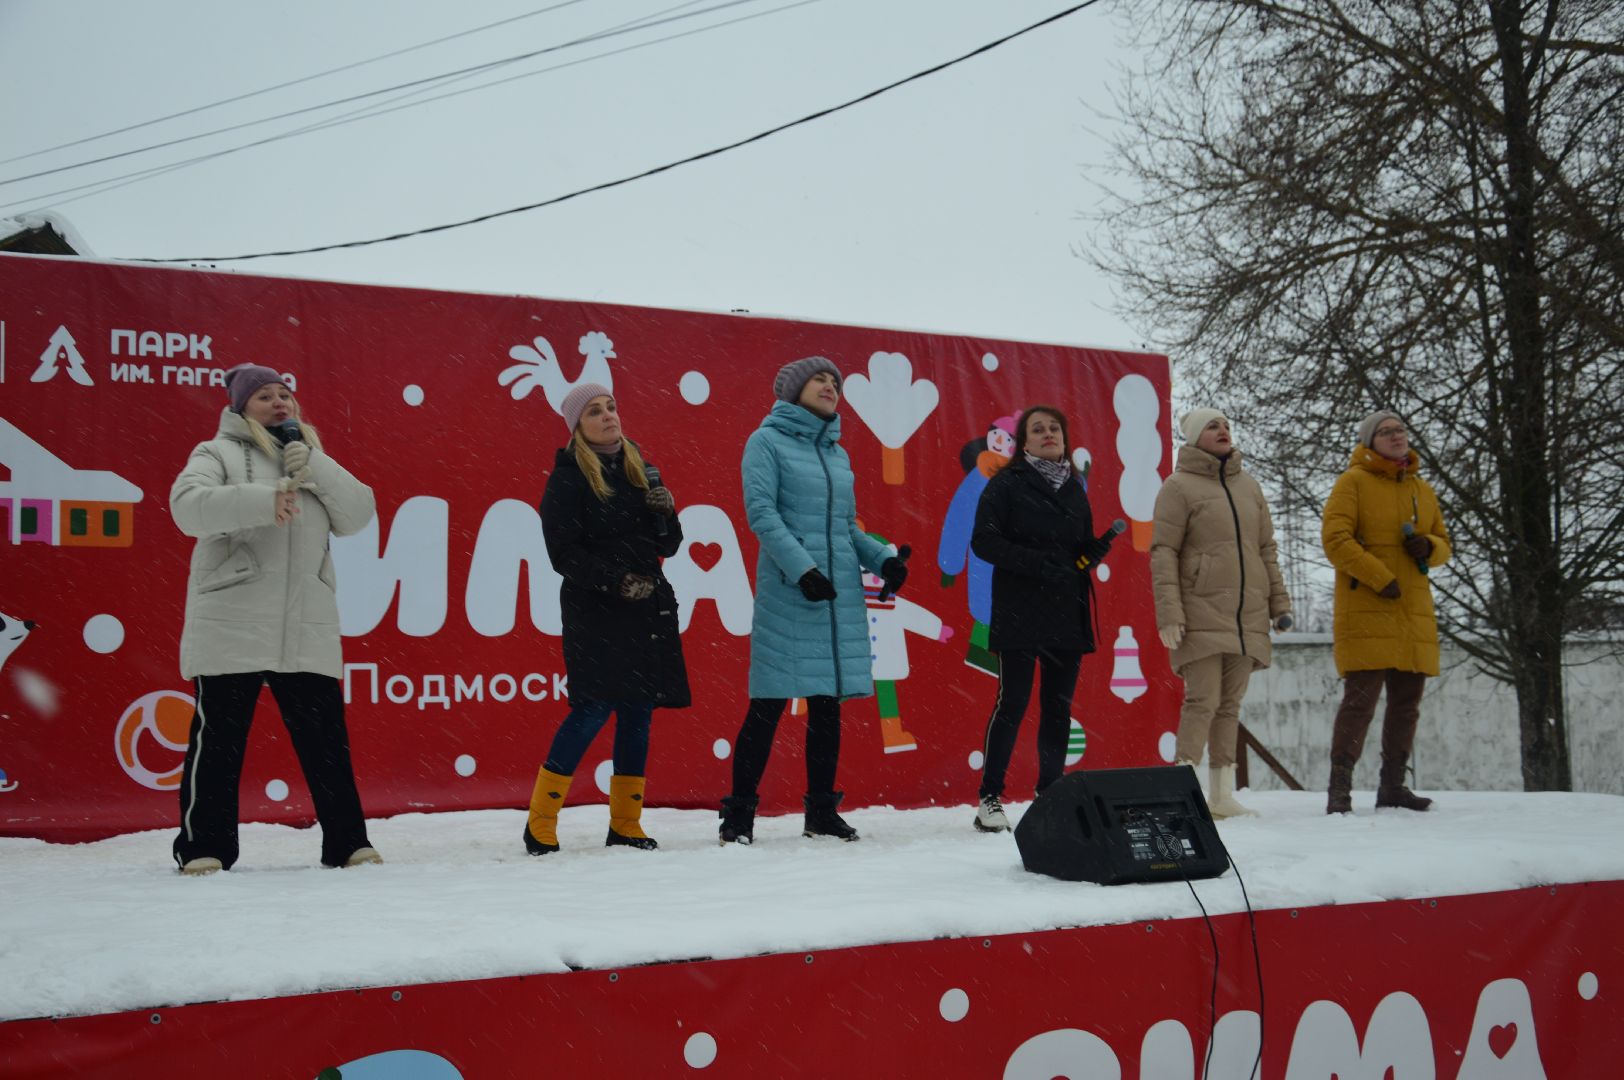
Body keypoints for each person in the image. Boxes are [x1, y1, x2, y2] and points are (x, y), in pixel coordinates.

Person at [169, 363, 379, 875]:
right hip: (232, 618)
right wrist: (266, 500)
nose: (279, 403)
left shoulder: (311, 458)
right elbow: (187, 508)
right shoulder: (215, 453)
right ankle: (203, 847)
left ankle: (348, 843)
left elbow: (358, 514)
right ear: (241, 408)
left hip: (305, 623)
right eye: (265, 396)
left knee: (326, 741)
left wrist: (315, 467)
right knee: (218, 740)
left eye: (285, 394)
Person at [718, 357, 910, 845]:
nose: (830, 386)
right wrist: (802, 570)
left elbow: (846, 530)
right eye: (820, 379)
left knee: (827, 706)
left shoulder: (837, 453)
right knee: (768, 705)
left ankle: (821, 812)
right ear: (794, 390)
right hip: (791, 593)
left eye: (835, 381)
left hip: (835, 596)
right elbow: (761, 514)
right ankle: (738, 817)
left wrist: (883, 560)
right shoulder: (765, 442)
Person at [526, 383, 690, 855]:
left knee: (638, 710)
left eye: (612, 407)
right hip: (595, 610)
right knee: (593, 708)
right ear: (578, 426)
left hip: (647, 608)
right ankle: (540, 821)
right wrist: (615, 580)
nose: (608, 416)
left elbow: (668, 546)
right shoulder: (568, 476)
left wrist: (667, 513)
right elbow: (563, 553)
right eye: (595, 411)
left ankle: (626, 823)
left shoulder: (643, 468)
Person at [969, 405, 1117, 833]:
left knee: (1058, 708)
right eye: (1038, 429)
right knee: (1012, 703)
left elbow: (1076, 552)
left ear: (1064, 439)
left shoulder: (1075, 487)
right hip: (1020, 609)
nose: (1048, 433)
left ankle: (1050, 793)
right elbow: (984, 542)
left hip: (1066, 612)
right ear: (1024, 442)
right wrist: (1036, 564)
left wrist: (1092, 553)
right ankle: (990, 798)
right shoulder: (1006, 484)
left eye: (1055, 427)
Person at [1150, 409, 1292, 819]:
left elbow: (1266, 550)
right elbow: (1164, 552)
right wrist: (1170, 612)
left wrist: (1279, 605)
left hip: (1247, 615)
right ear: (1195, 438)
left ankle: (1222, 795)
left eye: (1226, 425)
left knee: (1230, 705)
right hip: (1200, 610)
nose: (1223, 430)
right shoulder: (1178, 487)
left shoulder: (1249, 487)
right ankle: (1185, 788)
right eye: (1213, 426)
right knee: (1203, 700)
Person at [1322, 410, 1452, 814]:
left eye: (1399, 429)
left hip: (1413, 610)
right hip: (1368, 607)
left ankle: (1393, 786)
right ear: (1369, 442)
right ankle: (1339, 791)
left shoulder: (1421, 488)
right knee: (1360, 702)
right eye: (1385, 431)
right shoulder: (1353, 482)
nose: (1396, 436)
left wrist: (1429, 546)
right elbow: (1335, 539)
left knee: (1407, 703)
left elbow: (1445, 542)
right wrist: (1379, 577)